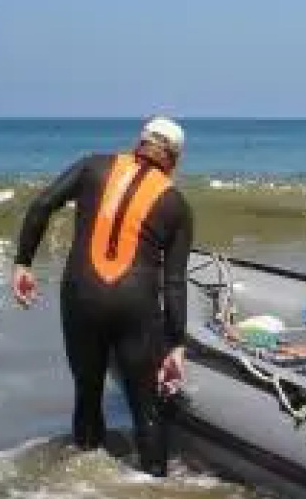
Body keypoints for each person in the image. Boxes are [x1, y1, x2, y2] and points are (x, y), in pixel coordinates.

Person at [10, 117, 194, 475]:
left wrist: (23, 264)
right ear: (174, 160)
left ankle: (84, 488)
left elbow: (41, 206)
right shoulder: (176, 204)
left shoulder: (93, 166)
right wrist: (177, 344)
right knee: (146, 407)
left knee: (88, 392)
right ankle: (154, 491)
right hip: (135, 304)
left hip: (82, 296)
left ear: (138, 143)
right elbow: (174, 281)